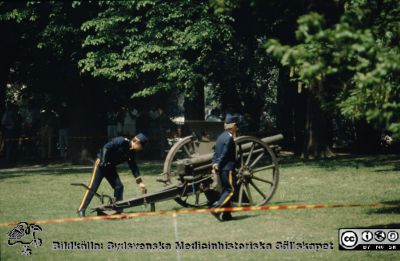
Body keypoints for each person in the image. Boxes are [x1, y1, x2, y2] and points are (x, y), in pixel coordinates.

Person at [77, 133, 149, 217]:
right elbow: (106, 147)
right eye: (141, 146)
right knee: (93, 188)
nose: (141, 149)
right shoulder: (121, 141)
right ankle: (81, 210)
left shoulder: (132, 152)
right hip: (100, 165)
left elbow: (133, 167)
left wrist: (139, 182)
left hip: (110, 167)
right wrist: (103, 160)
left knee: (119, 187)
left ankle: (118, 210)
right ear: (138, 143)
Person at [209, 115, 239, 221]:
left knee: (226, 190)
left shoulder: (221, 136)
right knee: (231, 190)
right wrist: (218, 164)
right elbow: (225, 153)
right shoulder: (229, 138)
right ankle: (216, 209)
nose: (237, 128)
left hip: (222, 169)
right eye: (236, 126)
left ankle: (227, 215)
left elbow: (216, 152)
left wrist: (214, 163)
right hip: (228, 168)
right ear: (233, 126)